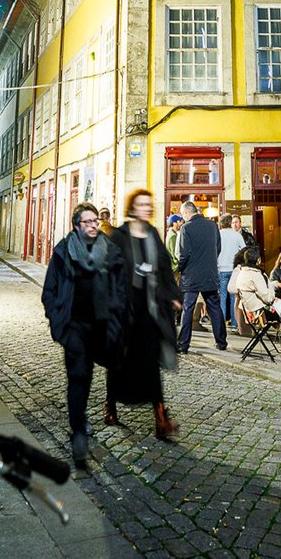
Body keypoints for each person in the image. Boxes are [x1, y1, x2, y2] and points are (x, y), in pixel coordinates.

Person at [41, 202, 126, 465]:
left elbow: (121, 286)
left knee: (114, 367)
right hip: (74, 326)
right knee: (79, 376)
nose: (92, 226)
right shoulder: (63, 252)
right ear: (76, 225)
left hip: (102, 326)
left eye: (95, 222)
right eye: (87, 222)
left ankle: (105, 409)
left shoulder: (110, 251)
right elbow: (50, 291)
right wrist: (59, 323)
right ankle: (78, 432)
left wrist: (119, 313)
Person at [104, 188, 182, 441]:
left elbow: (164, 268)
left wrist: (172, 295)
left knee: (151, 362)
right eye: (142, 204)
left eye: (149, 204)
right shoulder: (119, 236)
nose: (147, 208)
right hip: (125, 311)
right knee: (119, 361)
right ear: (132, 208)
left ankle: (161, 418)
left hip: (149, 310)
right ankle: (111, 405)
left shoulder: (153, 233)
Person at [175, 200, 228, 353]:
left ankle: (183, 344)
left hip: (191, 275)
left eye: (182, 214)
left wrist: (180, 268)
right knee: (214, 307)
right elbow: (218, 248)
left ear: (186, 212)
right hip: (209, 273)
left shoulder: (186, 228)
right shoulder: (212, 226)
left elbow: (184, 253)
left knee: (188, 308)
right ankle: (221, 342)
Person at [230, 245, 278, 325]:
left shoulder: (242, 272)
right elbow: (267, 297)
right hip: (258, 312)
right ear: (258, 260)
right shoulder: (256, 274)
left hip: (247, 310)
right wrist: (272, 293)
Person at [218, 214, 247, 332]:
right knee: (234, 297)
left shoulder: (218, 235)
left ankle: (221, 324)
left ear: (221, 223)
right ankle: (235, 323)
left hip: (221, 269)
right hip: (234, 270)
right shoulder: (237, 235)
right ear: (230, 223)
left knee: (222, 297)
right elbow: (244, 250)